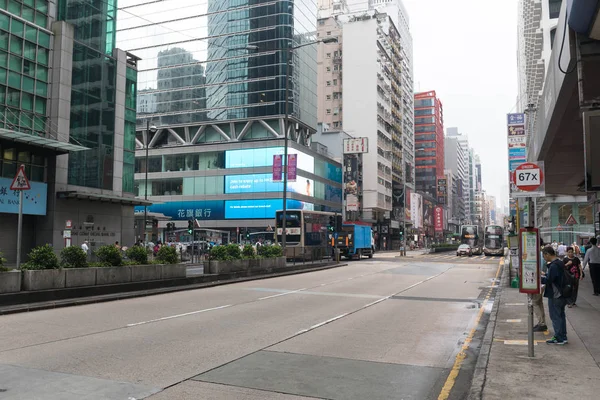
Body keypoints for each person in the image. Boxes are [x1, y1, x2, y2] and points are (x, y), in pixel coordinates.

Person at [541, 246, 568, 344]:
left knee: (555, 316)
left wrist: (538, 278)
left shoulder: (553, 266)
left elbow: (549, 280)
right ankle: (563, 336)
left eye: (544, 255)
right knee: (561, 315)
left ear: (547, 254)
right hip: (562, 293)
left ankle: (559, 338)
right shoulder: (560, 263)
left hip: (555, 294)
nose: (544, 258)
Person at [533, 244, 548, 332]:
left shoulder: (536, 256)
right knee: (539, 302)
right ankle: (542, 322)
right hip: (542, 282)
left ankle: (541, 323)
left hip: (537, 282)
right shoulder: (542, 256)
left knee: (534, 302)